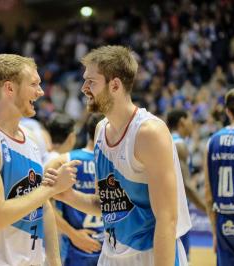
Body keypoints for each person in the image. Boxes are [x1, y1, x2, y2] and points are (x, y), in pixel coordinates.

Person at [44, 45, 191, 266]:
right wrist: (68, 196)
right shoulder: (100, 130)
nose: (84, 88)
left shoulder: (148, 132)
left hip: (149, 254)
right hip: (110, 255)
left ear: (115, 85)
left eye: (91, 81)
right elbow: (106, 205)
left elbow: (167, 219)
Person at [0, 54, 80, 266]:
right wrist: (51, 189)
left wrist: (54, 260)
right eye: (34, 84)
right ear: (10, 88)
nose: (41, 92)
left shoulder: (31, 140)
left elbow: (43, 206)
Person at [45, 113, 105, 266]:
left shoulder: (63, 160)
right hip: (107, 246)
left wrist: (73, 234)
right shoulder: (118, 164)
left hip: (77, 244)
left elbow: (41, 202)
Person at [167, 109, 207, 260]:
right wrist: (207, 209)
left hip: (171, 209)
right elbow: (187, 186)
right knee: (181, 258)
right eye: (190, 119)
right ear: (182, 122)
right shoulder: (179, 145)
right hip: (176, 211)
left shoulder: (170, 141)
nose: (193, 124)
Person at [204, 88, 234, 266]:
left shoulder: (213, 141)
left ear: (227, 111)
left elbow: (208, 192)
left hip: (224, 220)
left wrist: (215, 231)